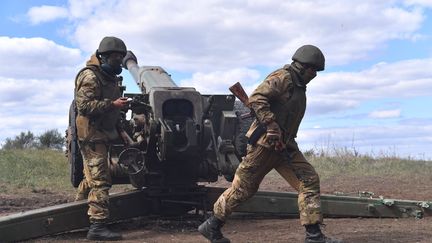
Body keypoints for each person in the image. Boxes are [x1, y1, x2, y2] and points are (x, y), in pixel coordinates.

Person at [198, 45, 342, 243]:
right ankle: (212, 225)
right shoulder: (283, 78)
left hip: (286, 147)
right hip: (264, 146)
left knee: (308, 180)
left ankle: (314, 236)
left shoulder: (298, 85)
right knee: (243, 190)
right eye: (313, 70)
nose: (314, 75)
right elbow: (257, 98)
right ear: (302, 66)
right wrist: (271, 124)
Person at [74, 36, 129, 241]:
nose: (119, 62)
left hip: (102, 133)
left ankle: (76, 210)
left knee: (91, 177)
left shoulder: (108, 77)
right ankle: (97, 226)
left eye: (121, 58)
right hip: (91, 135)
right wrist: (112, 104)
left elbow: (110, 111)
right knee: (101, 181)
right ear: (104, 57)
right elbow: (84, 107)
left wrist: (120, 130)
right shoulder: (90, 76)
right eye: (116, 58)